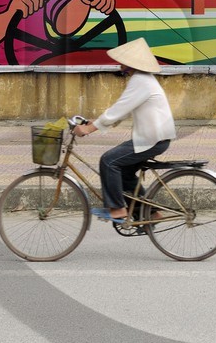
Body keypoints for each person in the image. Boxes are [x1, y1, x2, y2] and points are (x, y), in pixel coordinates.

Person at [73, 38, 176, 224]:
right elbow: (122, 109)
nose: (119, 63)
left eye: (123, 60)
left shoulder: (140, 81)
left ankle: (117, 209)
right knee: (125, 172)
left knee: (109, 161)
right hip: (154, 138)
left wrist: (89, 129)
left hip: (152, 139)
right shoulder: (143, 80)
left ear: (131, 63)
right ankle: (151, 213)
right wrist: (96, 122)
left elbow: (118, 110)